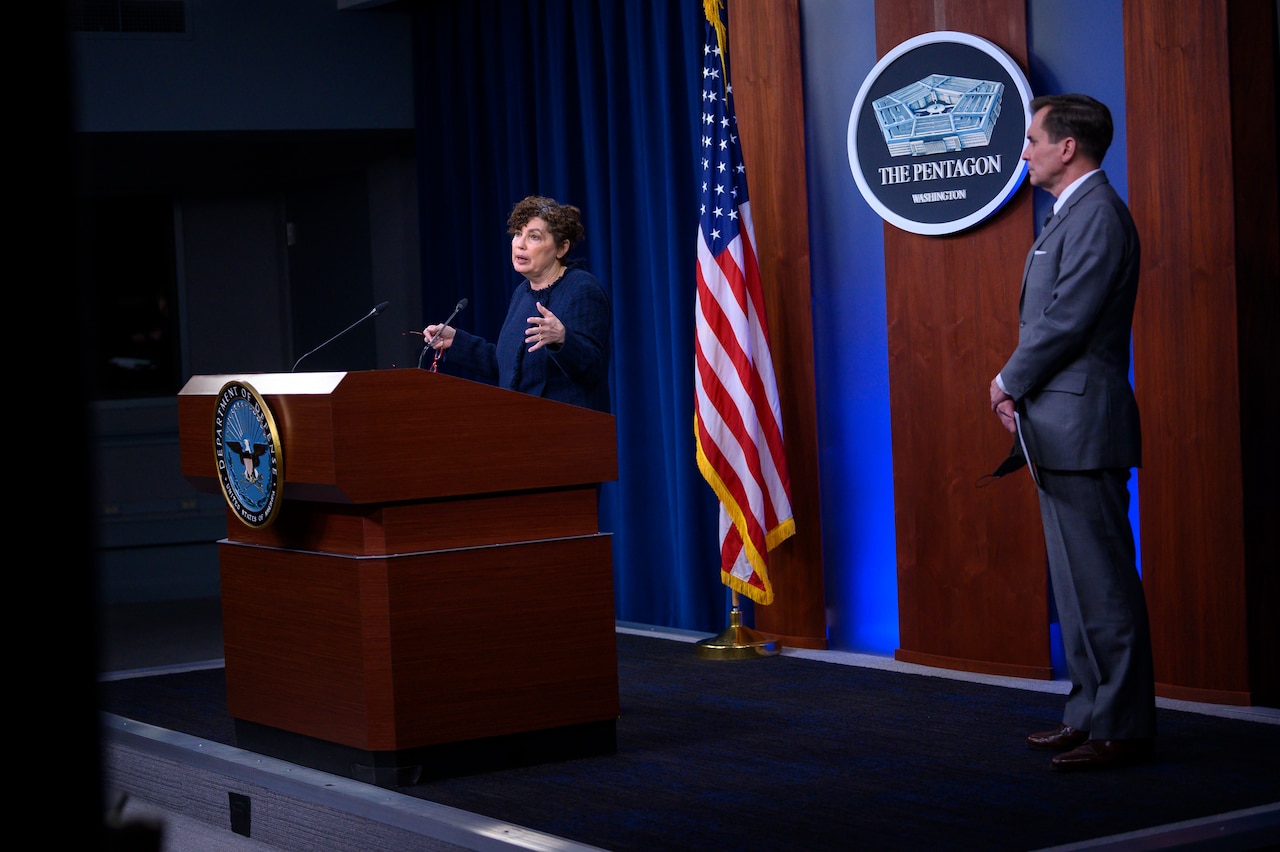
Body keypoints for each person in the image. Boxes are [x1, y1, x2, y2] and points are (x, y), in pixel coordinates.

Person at [989, 94, 1156, 771]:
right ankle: (1088, 714)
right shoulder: (1072, 214)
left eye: (1032, 139)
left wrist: (1006, 380)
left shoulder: (1098, 216)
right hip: (1057, 426)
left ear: (1067, 148)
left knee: (1105, 585)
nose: (1023, 151)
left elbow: (1066, 320)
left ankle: (1123, 726)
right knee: (1076, 585)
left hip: (1084, 425)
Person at [422, 195, 612, 413]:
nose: (520, 244)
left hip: (567, 433)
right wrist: (456, 342)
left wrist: (562, 340)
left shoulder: (581, 288)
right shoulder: (522, 293)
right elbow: (510, 366)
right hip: (522, 428)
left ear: (561, 248)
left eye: (534, 237)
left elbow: (592, 369)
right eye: (518, 234)